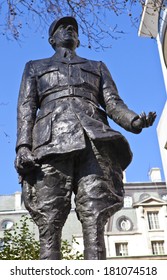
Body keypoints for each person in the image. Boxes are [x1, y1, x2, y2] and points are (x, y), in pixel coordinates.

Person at [15, 16, 156, 260]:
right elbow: (26, 108)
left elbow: (113, 103)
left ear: (78, 39)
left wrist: (134, 121)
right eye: (63, 28)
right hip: (50, 141)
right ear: (52, 39)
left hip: (94, 138)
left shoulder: (97, 66)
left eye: (73, 28)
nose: (69, 30)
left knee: (95, 209)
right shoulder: (34, 67)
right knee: (50, 212)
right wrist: (23, 147)